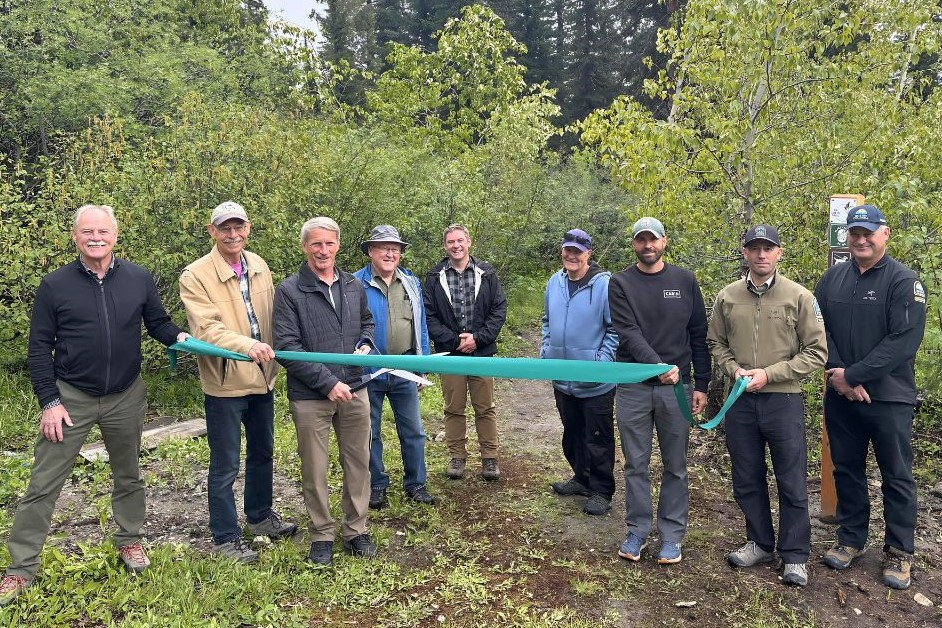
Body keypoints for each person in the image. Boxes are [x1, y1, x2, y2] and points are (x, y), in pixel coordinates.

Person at [0, 205, 189, 605]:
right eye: (87, 231)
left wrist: (182, 339)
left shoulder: (138, 278)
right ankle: (20, 568)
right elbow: (38, 349)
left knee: (129, 474)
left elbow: (158, 324)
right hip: (71, 398)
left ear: (116, 235)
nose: (96, 237)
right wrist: (49, 401)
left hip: (126, 395)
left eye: (103, 231)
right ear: (75, 237)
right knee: (42, 483)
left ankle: (129, 540)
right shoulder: (55, 285)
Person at [707, 225, 827, 587]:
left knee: (791, 480)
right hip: (740, 401)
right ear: (744, 253)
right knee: (747, 477)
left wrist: (769, 374)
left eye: (768, 248)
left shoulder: (800, 297)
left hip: (783, 400)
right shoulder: (727, 297)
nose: (761, 255)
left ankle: (794, 556)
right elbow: (716, 343)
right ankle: (759, 542)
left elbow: (817, 352)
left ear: (779, 253)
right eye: (754, 248)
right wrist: (736, 371)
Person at [814, 205, 926, 590]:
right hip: (841, 395)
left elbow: (903, 341)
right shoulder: (831, 279)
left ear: (885, 234)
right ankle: (850, 538)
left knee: (896, 476)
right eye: (854, 233)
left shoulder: (903, 282)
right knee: (846, 469)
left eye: (868, 233)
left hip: (889, 399)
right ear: (847, 237)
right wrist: (839, 375)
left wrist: (855, 374)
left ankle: (899, 551)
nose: (861, 239)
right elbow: (816, 330)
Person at [179, 201, 297, 564]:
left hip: (263, 379)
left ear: (248, 228)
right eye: (225, 228)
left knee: (263, 453)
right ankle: (225, 538)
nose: (233, 234)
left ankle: (260, 517)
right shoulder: (195, 275)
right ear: (212, 231)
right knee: (226, 463)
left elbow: (275, 315)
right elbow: (207, 328)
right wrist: (250, 346)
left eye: (239, 226)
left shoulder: (259, 265)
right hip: (226, 385)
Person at [272, 217, 376, 566]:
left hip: (356, 387)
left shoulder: (352, 284)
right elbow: (287, 346)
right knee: (314, 468)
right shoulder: (289, 291)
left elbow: (367, 322)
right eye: (316, 244)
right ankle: (321, 534)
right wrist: (328, 383)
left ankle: (357, 530)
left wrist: (365, 342)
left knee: (358, 461)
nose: (323, 250)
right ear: (305, 247)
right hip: (311, 395)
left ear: (338, 245)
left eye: (329, 243)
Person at [609, 217, 710, 564]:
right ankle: (637, 530)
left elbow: (698, 333)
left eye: (653, 240)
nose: (647, 246)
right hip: (634, 386)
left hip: (676, 390)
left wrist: (702, 384)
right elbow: (628, 331)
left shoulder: (684, 280)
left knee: (675, 464)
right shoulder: (620, 283)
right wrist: (658, 366)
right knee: (635, 464)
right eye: (641, 241)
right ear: (634, 244)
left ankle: (671, 535)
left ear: (665, 241)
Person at [353, 225, 436, 509]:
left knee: (413, 430)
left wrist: (422, 368)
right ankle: (376, 485)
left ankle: (416, 483)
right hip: (370, 371)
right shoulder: (355, 284)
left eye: (395, 249)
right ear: (370, 252)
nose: (390, 253)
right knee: (370, 432)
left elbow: (420, 326)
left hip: (405, 368)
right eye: (384, 248)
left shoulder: (411, 282)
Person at [541, 229, 619, 516]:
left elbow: (615, 328)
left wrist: (602, 359)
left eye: (578, 251)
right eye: (567, 250)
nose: (572, 255)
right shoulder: (554, 282)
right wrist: (546, 349)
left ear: (589, 253)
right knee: (572, 432)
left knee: (597, 436)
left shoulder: (605, 284)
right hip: (562, 377)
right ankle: (581, 478)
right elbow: (546, 320)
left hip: (596, 380)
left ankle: (601, 490)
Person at [424, 224, 507, 481]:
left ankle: (489, 458)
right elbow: (428, 314)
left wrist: (478, 339)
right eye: (451, 242)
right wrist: (453, 341)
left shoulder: (487, 274)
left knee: (485, 407)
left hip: (481, 354)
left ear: (469, 242)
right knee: (454, 407)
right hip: (450, 355)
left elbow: (498, 309)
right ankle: (457, 456)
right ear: (445, 246)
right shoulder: (434, 276)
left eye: (460, 240)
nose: (456, 245)